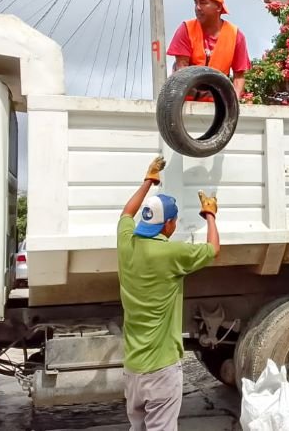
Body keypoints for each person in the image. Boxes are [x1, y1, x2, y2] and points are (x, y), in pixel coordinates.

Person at [117, 156, 221, 431]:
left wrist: (148, 182)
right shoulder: (171, 253)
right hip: (161, 370)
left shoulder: (126, 243)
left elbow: (126, 214)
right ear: (168, 225)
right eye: (173, 222)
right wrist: (210, 214)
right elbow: (213, 250)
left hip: (133, 369)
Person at [167, 0, 251, 101]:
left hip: (217, 98)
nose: (198, 7)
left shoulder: (235, 35)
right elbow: (182, 68)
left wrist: (234, 102)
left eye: (203, 2)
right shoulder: (186, 28)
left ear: (218, 7)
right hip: (187, 97)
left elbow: (239, 76)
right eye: (195, 2)